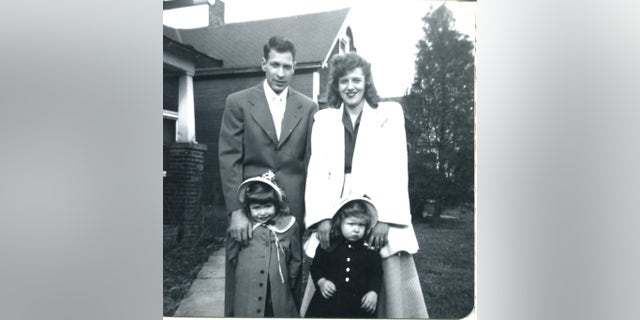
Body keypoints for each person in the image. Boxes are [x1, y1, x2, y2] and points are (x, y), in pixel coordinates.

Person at [302, 52, 429, 318]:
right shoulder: (324, 120)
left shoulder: (389, 114)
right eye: (344, 81)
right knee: (333, 261)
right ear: (336, 86)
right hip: (337, 201)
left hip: (379, 197)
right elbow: (317, 171)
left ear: (366, 82)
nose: (351, 87)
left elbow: (396, 167)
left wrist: (386, 218)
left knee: (387, 264)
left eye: (356, 80)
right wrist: (322, 217)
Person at [218, 35, 318, 315]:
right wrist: (236, 211)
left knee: (288, 283)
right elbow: (229, 158)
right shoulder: (238, 102)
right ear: (263, 64)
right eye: (275, 65)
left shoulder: (308, 107)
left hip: (291, 213)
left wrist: (311, 212)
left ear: (295, 67)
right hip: (250, 211)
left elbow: (311, 163)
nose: (281, 73)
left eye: (287, 66)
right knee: (244, 284)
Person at [227, 171, 301, 317]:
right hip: (249, 289)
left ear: (277, 204)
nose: (262, 213)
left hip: (279, 290)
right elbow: (232, 254)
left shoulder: (289, 226)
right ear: (248, 208)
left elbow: (296, 258)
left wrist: (289, 280)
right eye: (256, 208)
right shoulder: (245, 229)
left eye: (267, 206)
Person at [305, 196, 382, 318]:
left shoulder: (370, 250)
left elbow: (376, 273)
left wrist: (373, 292)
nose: (356, 229)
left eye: (361, 225)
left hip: (357, 307)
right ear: (340, 222)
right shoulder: (329, 245)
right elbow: (316, 267)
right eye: (351, 224)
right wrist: (322, 282)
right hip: (328, 305)